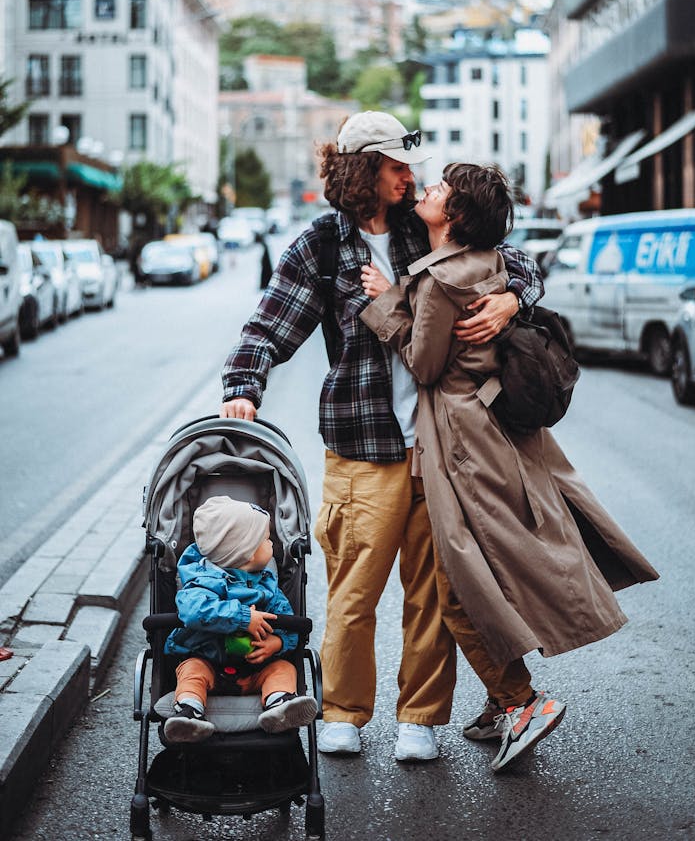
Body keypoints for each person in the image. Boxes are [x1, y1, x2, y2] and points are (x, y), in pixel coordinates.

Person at [220, 112, 545, 763]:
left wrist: (515, 295)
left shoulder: (419, 229)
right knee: (354, 589)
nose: (410, 174)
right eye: (397, 165)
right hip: (359, 447)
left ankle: (419, 719)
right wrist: (243, 386)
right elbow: (268, 324)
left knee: (429, 593)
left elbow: (510, 257)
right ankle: (342, 709)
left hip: (433, 447)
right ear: (364, 169)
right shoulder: (319, 245)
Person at [359, 162, 659, 771]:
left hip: (462, 444)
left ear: (458, 216)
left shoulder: (443, 280)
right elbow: (514, 267)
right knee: (479, 570)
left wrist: (387, 302)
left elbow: (423, 364)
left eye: (441, 189)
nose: (428, 189)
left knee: (461, 583)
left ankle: (521, 703)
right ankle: (507, 702)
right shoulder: (486, 261)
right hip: (485, 434)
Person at [163, 495, 318, 743]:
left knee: (283, 668)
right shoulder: (201, 583)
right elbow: (193, 610)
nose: (271, 544)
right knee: (192, 670)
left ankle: (280, 705)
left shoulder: (267, 586)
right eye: (266, 539)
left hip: (256, 670)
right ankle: (190, 713)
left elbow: (288, 621)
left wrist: (276, 643)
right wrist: (243, 617)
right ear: (245, 553)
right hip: (208, 664)